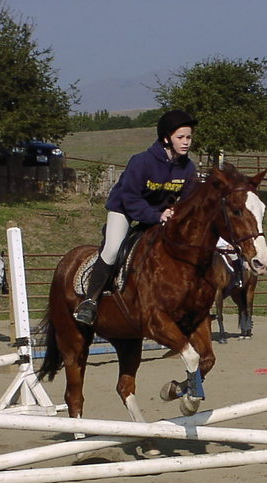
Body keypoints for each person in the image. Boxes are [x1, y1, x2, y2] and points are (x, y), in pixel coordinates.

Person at [73, 109, 199, 325]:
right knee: (113, 249)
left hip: (160, 214)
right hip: (125, 209)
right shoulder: (142, 161)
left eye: (188, 137)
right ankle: (90, 302)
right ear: (166, 138)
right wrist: (156, 215)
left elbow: (188, 200)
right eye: (180, 137)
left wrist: (177, 214)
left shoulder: (188, 167)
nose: (186, 142)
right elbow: (130, 198)